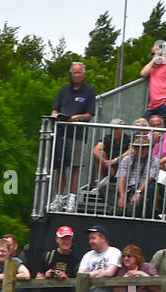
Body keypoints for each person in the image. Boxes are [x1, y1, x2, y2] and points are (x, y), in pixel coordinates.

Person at [49, 62, 96, 211]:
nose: (77, 75)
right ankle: (57, 198)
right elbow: (55, 108)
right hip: (61, 133)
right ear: (71, 74)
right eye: (74, 73)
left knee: (76, 167)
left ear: (84, 73)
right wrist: (55, 115)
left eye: (79, 72)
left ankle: (72, 199)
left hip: (78, 134)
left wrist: (78, 117)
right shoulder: (64, 90)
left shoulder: (89, 92)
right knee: (60, 167)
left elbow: (89, 114)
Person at [77, 225, 122, 292]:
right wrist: (100, 272)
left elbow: (110, 272)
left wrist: (90, 273)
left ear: (103, 238)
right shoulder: (88, 255)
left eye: (93, 238)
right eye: (90, 239)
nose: (90, 241)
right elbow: (80, 276)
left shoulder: (114, 252)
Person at [140, 43, 166, 127]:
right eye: (153, 54)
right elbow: (143, 73)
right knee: (143, 125)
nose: (156, 56)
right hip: (153, 105)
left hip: (165, 103)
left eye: (158, 53)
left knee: (164, 129)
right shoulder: (152, 67)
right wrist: (152, 61)